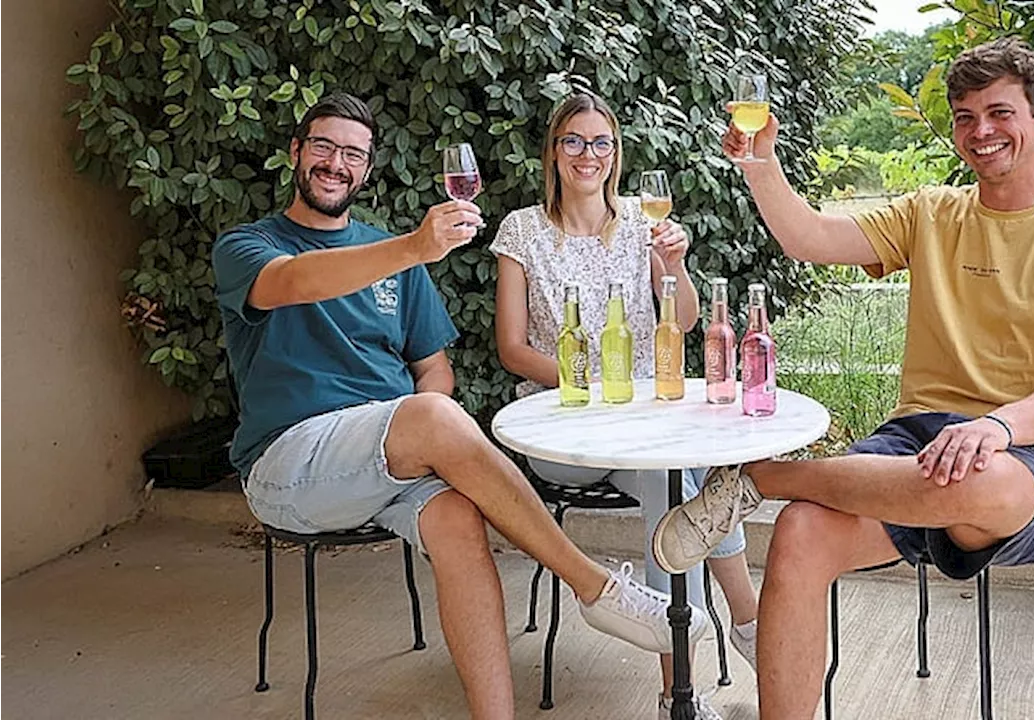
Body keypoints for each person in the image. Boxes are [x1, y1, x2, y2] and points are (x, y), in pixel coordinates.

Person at [650, 38, 1034, 718]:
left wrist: (997, 428)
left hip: (1031, 460)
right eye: (965, 117)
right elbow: (813, 239)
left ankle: (760, 477)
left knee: (978, 476)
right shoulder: (931, 212)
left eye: (999, 112)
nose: (982, 132)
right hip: (912, 447)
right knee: (799, 532)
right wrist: (761, 169)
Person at [212, 92, 694, 720]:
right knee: (431, 417)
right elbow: (295, 282)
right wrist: (414, 251)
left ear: (366, 168)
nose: (336, 163)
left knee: (460, 519)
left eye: (352, 154)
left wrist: (418, 435)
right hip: (293, 465)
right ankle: (593, 585)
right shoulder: (249, 245)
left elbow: (433, 373)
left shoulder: (394, 259)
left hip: (391, 462)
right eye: (324, 147)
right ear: (296, 153)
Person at [491, 92, 760, 720]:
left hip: (647, 427)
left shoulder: (643, 224)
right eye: (574, 141)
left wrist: (675, 266)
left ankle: (677, 690)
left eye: (601, 142)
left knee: (678, 487)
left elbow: (685, 321)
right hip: (566, 431)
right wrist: (591, 383)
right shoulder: (523, 231)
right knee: (689, 486)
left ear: (617, 154)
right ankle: (747, 623)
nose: (589, 154)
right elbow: (512, 349)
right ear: (554, 152)